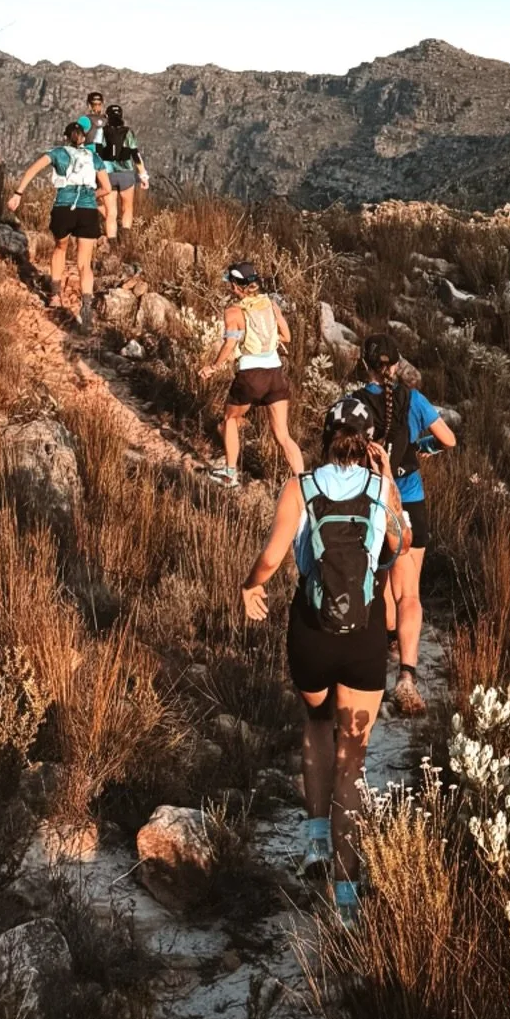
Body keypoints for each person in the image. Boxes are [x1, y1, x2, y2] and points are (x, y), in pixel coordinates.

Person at [241, 400, 410, 914]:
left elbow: (272, 556)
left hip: (310, 631)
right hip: (362, 637)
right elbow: (400, 543)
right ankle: (346, 888)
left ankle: (316, 839)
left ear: (325, 437)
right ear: (369, 442)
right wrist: (388, 480)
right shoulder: (380, 489)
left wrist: (251, 586)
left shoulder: (301, 487)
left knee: (315, 725)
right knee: (352, 762)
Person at [359, 333, 456, 717]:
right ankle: (407, 676)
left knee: (380, 580)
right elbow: (448, 439)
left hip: (368, 499)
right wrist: (421, 449)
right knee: (409, 591)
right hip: (408, 499)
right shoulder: (413, 400)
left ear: (364, 364)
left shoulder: (356, 404)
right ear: (397, 365)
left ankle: (387, 640)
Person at [198, 261, 305, 485]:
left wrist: (213, 367)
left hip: (250, 375)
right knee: (283, 436)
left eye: (231, 283)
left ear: (236, 286)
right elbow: (287, 336)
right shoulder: (270, 305)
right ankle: (303, 484)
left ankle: (230, 473)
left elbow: (229, 345)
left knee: (230, 418)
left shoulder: (234, 312)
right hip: (275, 375)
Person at [5, 122, 112, 327]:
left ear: (66, 137)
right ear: (83, 139)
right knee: (84, 262)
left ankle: (55, 296)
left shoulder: (57, 153)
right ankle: (86, 306)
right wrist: (91, 195)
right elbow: (106, 188)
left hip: (64, 208)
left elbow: (33, 170)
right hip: (88, 211)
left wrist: (18, 193)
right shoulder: (94, 158)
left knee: (60, 248)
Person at [96, 104, 148, 244]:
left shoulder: (102, 132)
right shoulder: (128, 132)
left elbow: (97, 154)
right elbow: (135, 155)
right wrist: (143, 175)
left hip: (107, 175)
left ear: (107, 116)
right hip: (126, 174)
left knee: (111, 212)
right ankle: (125, 241)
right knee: (127, 208)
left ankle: (112, 245)